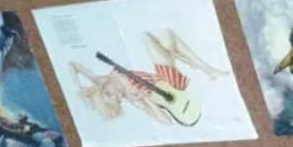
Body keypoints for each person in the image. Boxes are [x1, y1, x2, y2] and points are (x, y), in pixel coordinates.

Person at [71, 28, 228, 124]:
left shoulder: (102, 79)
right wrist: (145, 100)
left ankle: (199, 66)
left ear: (103, 88)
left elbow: (74, 66)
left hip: (163, 74)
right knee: (154, 39)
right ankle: (201, 67)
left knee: (164, 37)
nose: (118, 96)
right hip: (170, 86)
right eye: (118, 101)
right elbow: (166, 122)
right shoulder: (134, 99)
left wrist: (78, 89)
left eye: (110, 95)